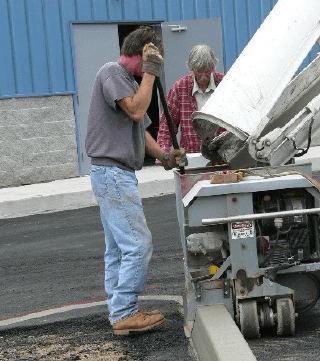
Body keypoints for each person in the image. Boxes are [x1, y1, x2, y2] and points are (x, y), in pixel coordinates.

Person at [85, 26, 187, 336]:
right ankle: (126, 312)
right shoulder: (112, 72)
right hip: (112, 173)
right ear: (144, 51)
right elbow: (136, 110)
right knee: (138, 244)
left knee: (118, 248)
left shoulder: (127, 82)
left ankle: (120, 311)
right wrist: (151, 72)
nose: (154, 65)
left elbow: (140, 130)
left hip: (114, 173)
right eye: (153, 57)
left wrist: (165, 156)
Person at [157, 44, 225, 156]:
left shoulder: (225, 84)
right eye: (199, 71)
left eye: (208, 71)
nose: (204, 76)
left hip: (224, 154)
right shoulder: (179, 88)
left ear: (214, 65)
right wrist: (163, 153)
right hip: (192, 155)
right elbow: (167, 125)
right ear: (190, 67)